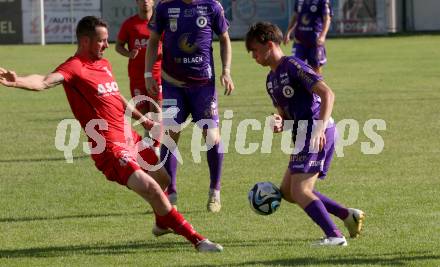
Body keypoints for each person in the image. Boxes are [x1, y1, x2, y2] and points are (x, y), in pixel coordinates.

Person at [0, 16, 223, 252]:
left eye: (107, 40)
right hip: (109, 148)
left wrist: (143, 119)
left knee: (163, 180)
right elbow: (44, 81)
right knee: (152, 189)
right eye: (102, 41)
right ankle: (198, 240)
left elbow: (115, 97)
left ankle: (161, 223)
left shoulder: (104, 65)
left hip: (130, 140)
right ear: (85, 41)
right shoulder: (74, 67)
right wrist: (19, 82)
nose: (107, 45)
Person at [245, 22, 365, 246]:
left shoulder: (292, 65)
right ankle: (347, 215)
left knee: (300, 190)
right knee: (289, 192)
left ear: (269, 44)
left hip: (317, 132)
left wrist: (319, 129)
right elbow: (283, 112)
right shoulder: (271, 80)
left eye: (255, 50)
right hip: (302, 134)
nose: (253, 56)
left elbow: (327, 94)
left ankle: (334, 236)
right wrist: (278, 121)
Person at [145, 0, 235, 212]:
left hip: (203, 85)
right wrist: (149, 74)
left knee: (212, 137)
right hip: (172, 84)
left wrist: (226, 70)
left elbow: (224, 38)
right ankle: (171, 190)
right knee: (170, 135)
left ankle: (215, 191)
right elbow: (153, 40)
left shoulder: (213, 6)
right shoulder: (164, 7)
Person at [115, 0, 163, 157]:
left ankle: (155, 147)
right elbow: (118, 45)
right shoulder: (130, 24)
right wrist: (129, 54)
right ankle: (149, 141)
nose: (145, 2)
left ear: (153, 1)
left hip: (157, 75)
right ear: (137, 2)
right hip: (136, 76)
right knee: (144, 114)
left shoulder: (160, 22)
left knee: (156, 111)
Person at [283, 0, 332, 74]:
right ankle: (300, 85)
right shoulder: (299, 1)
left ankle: (317, 84)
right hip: (299, 41)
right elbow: (295, 16)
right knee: (296, 66)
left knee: (315, 68)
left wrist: (322, 36)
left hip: (315, 41)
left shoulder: (323, 1)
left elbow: (327, 19)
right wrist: (288, 32)